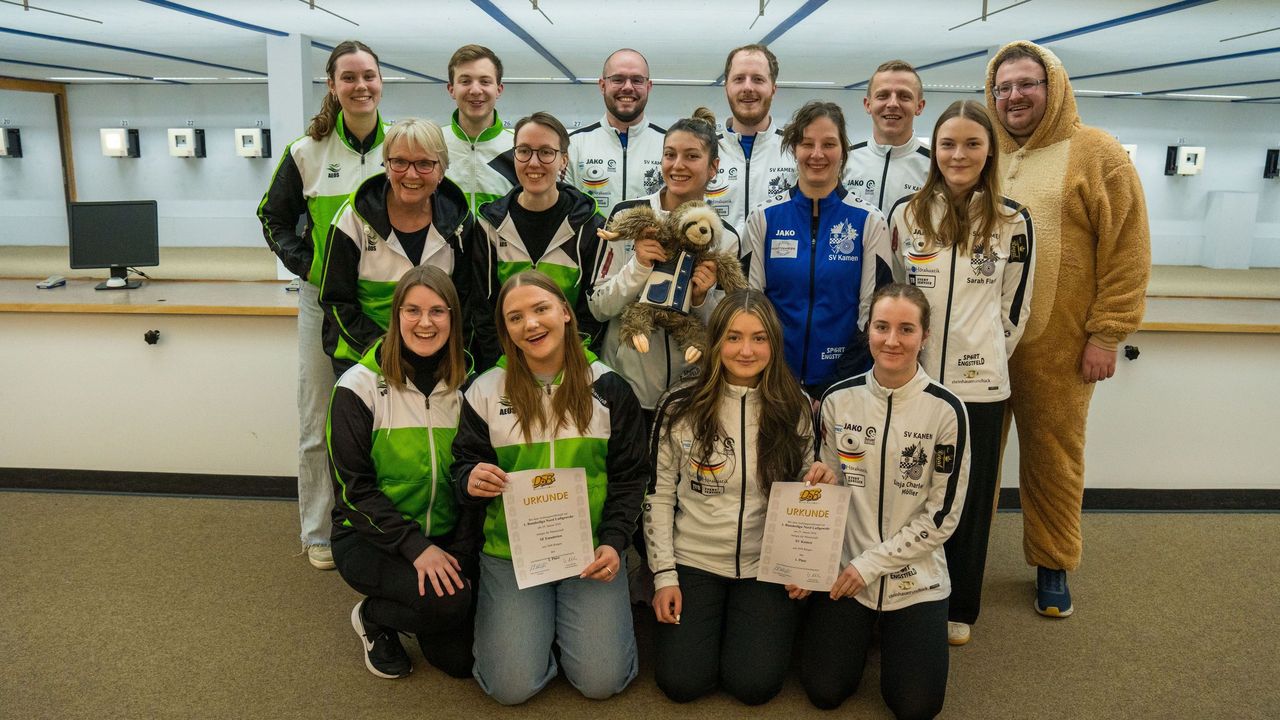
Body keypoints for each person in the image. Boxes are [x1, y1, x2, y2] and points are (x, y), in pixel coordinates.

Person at [985, 41, 1151, 617]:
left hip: (1058, 346)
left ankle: (1053, 564)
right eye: (1003, 87)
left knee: (1053, 458)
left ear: (1053, 86)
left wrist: (1108, 334)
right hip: (979, 343)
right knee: (972, 456)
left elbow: (1128, 247)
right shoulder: (984, 152)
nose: (1013, 96)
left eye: (1026, 84)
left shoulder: (1095, 152)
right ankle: (960, 561)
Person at [452, 270, 649, 705]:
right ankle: (543, 631)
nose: (532, 324)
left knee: (603, 682)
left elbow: (632, 476)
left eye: (540, 309)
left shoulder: (609, 388)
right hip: (512, 556)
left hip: (591, 553)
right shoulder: (484, 391)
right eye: (516, 317)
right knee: (510, 688)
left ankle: (563, 630)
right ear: (505, 330)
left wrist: (615, 543)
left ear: (564, 312)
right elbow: (462, 467)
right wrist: (470, 479)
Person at [888, 100, 1035, 646]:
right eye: (948, 143)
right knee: (910, 488)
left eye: (972, 143)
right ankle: (904, 589)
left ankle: (959, 605)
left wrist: (985, 353)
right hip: (914, 380)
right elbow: (895, 294)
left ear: (989, 150)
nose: (959, 154)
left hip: (980, 388)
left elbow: (1015, 309)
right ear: (934, 149)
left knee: (968, 500)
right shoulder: (907, 213)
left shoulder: (1013, 220)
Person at [645, 289, 833, 705]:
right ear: (715, 342)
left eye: (759, 338)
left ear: (774, 343)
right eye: (733, 337)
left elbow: (806, 493)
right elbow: (657, 496)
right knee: (682, 683)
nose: (746, 350)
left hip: (764, 564)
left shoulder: (795, 405)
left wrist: (816, 488)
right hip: (694, 559)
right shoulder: (679, 405)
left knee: (754, 686)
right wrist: (664, 576)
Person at [802, 283, 970, 719]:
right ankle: (865, 633)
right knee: (823, 691)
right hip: (847, 569)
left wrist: (870, 565)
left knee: (916, 707)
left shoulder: (947, 410)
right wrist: (825, 478)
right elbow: (832, 473)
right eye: (881, 327)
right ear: (868, 330)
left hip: (915, 575)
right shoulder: (839, 399)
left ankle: (898, 632)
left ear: (925, 336)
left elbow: (942, 517)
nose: (892, 340)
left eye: (906, 329)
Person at [258, 40, 389, 571]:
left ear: (382, 82)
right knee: (318, 418)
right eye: (349, 77)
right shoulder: (304, 153)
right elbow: (272, 218)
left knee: (388, 415)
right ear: (332, 86)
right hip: (321, 304)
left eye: (370, 76)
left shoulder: (399, 146)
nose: (361, 86)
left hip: (387, 301)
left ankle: (380, 522)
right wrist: (311, 266)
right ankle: (317, 531)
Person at [327, 266, 478, 680]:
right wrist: (414, 546)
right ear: (395, 317)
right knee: (447, 603)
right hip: (370, 538)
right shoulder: (356, 387)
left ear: (453, 318)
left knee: (461, 661)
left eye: (437, 311)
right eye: (412, 311)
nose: (425, 323)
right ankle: (374, 618)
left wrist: (461, 555)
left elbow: (474, 481)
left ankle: (428, 603)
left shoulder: (471, 386)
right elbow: (353, 490)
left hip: (445, 536)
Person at [589, 107, 741, 417]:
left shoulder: (724, 237)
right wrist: (639, 267)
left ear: (713, 167)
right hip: (624, 388)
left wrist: (700, 300)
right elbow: (598, 307)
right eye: (669, 155)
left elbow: (729, 328)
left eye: (691, 156)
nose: (677, 165)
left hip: (691, 392)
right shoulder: (627, 216)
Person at [742, 101, 893, 397]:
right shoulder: (763, 218)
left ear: (843, 151)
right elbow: (750, 305)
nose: (817, 154)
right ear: (793, 149)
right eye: (807, 143)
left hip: (846, 381)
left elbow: (873, 315)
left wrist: (832, 388)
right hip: (773, 380)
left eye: (829, 144)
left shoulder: (870, 221)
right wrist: (779, 380)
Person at [320, 118, 480, 372]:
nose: (411, 174)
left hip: (436, 358)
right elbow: (336, 301)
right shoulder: (353, 218)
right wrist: (388, 349)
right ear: (386, 166)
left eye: (425, 164)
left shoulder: (460, 223)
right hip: (363, 356)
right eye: (400, 162)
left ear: (442, 170)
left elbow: (466, 303)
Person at [476, 112, 605, 367]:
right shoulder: (490, 225)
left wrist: (567, 362)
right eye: (524, 151)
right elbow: (483, 309)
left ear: (563, 161)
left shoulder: (590, 226)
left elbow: (592, 313)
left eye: (546, 152)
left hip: (571, 363)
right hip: (508, 364)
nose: (533, 162)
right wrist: (504, 366)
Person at [709, 44, 796, 235]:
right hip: (715, 265)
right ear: (727, 87)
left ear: (773, 88)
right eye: (739, 79)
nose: (748, 87)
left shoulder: (796, 151)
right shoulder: (704, 151)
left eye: (758, 79)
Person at [566, 48, 666, 213]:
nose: (628, 87)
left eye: (637, 80)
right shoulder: (573, 145)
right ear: (603, 85)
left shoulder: (669, 145)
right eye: (618, 79)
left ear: (648, 87)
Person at [843, 60, 930, 213]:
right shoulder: (844, 160)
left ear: (919, 106)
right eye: (883, 96)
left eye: (904, 96)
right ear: (868, 104)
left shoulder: (936, 165)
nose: (893, 104)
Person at [443, 44, 516, 215]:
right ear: (451, 89)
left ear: (499, 89)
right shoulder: (433, 144)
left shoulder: (519, 148)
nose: (475, 90)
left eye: (485, 81)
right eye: (465, 81)